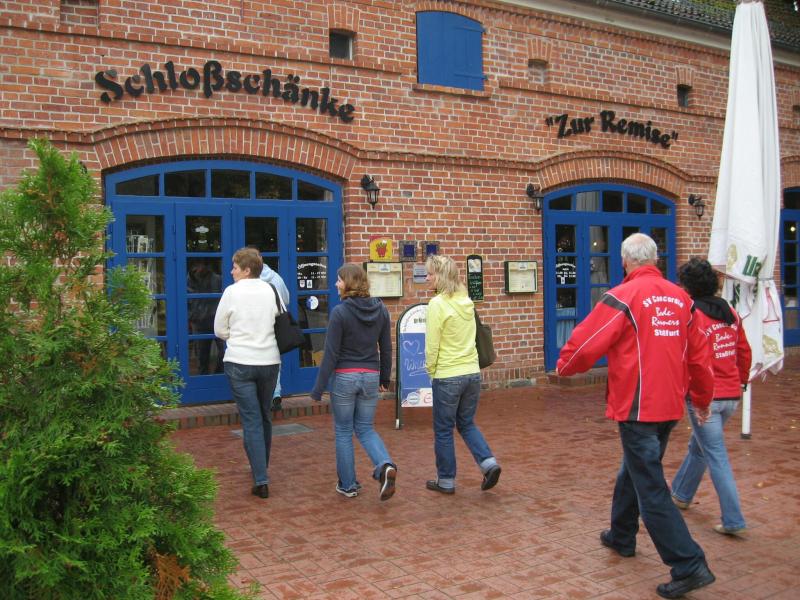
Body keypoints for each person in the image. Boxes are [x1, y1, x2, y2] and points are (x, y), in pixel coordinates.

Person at [556, 233, 716, 600]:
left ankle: (689, 564)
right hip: (669, 406)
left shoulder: (623, 296)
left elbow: (587, 340)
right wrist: (702, 399)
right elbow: (700, 358)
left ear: (626, 261)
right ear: (655, 260)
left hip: (637, 406)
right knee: (635, 469)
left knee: (651, 488)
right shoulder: (683, 300)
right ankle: (622, 534)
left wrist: (565, 365)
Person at [671, 258, 752, 535]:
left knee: (715, 455)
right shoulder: (730, 312)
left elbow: (688, 357)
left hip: (706, 397)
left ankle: (734, 520)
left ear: (688, 286)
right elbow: (743, 351)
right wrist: (741, 381)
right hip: (731, 396)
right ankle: (681, 494)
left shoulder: (692, 314)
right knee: (700, 447)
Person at [310, 263, 396, 501]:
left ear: (348, 283)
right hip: (370, 376)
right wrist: (384, 377)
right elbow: (386, 347)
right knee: (366, 428)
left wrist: (318, 388)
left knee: (343, 431)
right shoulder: (381, 309)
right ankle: (385, 465)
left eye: (339, 280)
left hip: (345, 377)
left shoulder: (340, 312)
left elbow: (331, 353)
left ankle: (348, 485)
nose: (336, 284)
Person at [424, 254, 501, 495]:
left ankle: (446, 480)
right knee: (466, 423)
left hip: (448, 375)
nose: (426, 278)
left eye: (430, 274)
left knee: (443, 429)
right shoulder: (467, 301)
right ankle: (488, 463)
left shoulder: (437, 304)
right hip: (472, 373)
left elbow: (432, 346)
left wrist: (431, 371)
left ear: (441, 276)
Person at [214, 248, 281, 499]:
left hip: (239, 361)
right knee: (264, 416)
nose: (231, 271)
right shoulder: (271, 290)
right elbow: (279, 319)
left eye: (235, 267)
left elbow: (219, 330)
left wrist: (236, 337)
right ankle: (261, 467)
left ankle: (260, 478)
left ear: (247, 270)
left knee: (251, 419)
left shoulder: (231, 292)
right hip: (269, 361)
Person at [259, 261, 290, 412]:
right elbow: (286, 299)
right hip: (274, 324)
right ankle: (275, 393)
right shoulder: (276, 277)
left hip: (255, 326)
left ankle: (262, 395)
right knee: (274, 358)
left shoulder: (247, 281)